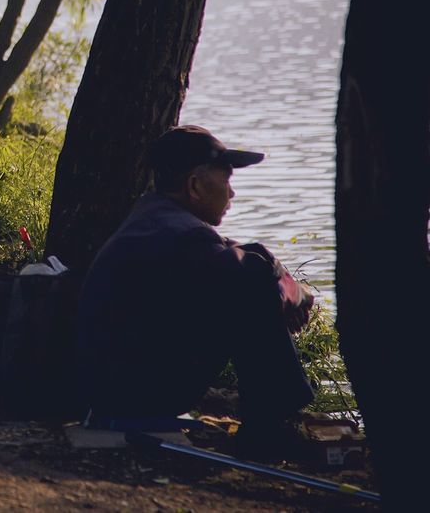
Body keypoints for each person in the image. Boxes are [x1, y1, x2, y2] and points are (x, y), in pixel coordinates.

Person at [77, 125, 315, 447]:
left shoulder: (156, 219)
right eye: (226, 180)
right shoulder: (185, 236)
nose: (232, 193)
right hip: (135, 392)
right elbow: (254, 275)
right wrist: (294, 295)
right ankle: (270, 426)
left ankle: (273, 418)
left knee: (250, 268)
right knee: (252, 284)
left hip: (112, 386)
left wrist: (277, 276)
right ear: (194, 186)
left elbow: (242, 254)